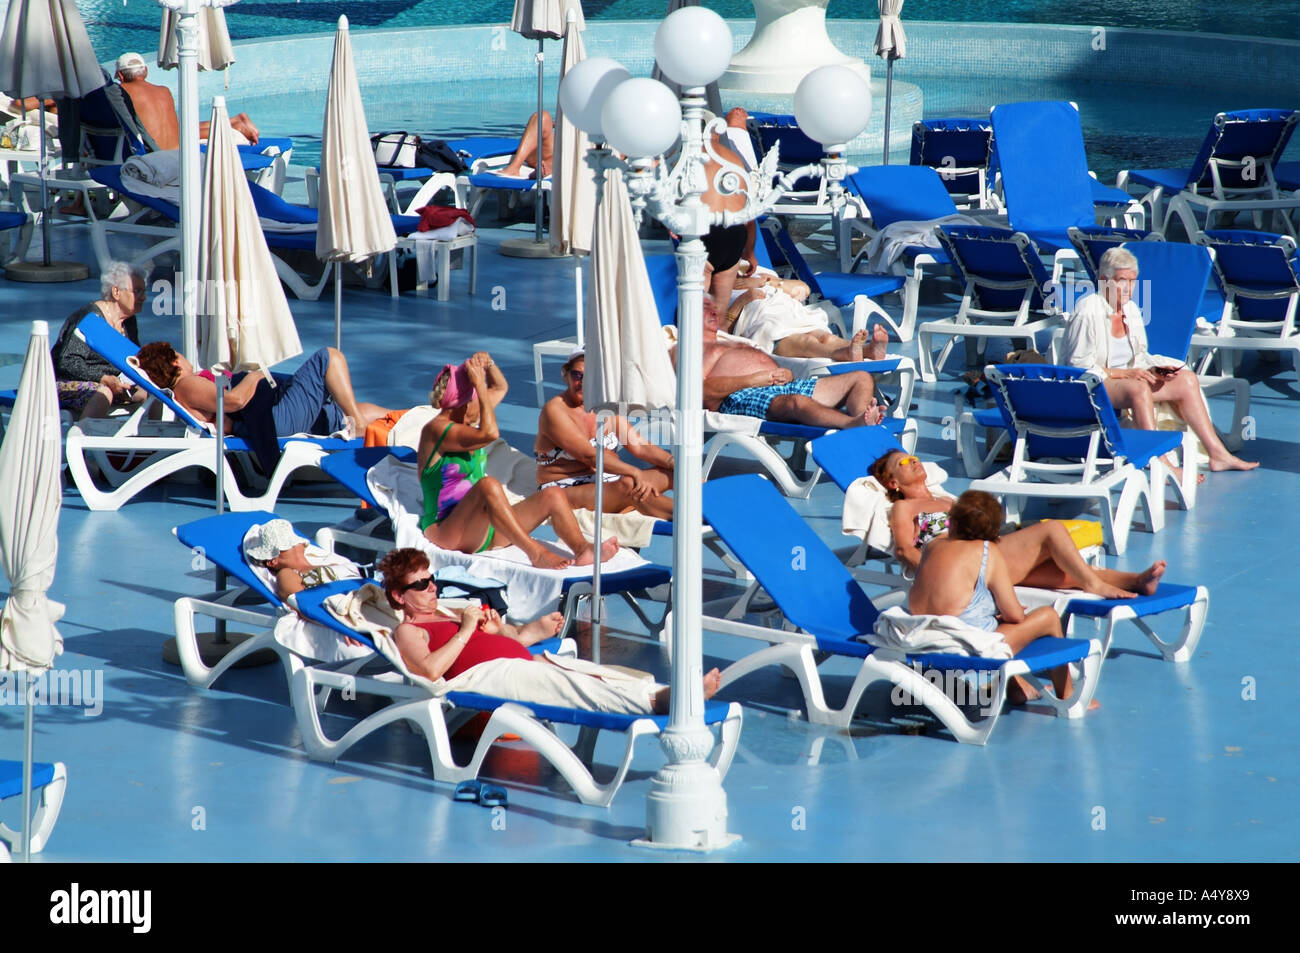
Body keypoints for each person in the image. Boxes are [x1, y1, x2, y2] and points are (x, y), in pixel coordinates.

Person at [379, 548, 719, 715]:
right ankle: (661, 703)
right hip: (493, 675)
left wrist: (506, 632)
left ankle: (663, 692)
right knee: (574, 688)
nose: (432, 588)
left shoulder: (446, 613)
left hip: (524, 658)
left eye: (431, 579)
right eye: (421, 584)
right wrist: (466, 630)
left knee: (598, 674)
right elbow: (429, 670)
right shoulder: (409, 630)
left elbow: (491, 640)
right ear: (398, 595)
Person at [870, 447, 1166, 599]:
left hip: (986, 555)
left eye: (913, 457)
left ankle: (1136, 582)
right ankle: (1093, 585)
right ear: (893, 482)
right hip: (965, 568)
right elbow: (903, 551)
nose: (913, 461)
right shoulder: (904, 508)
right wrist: (941, 572)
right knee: (1052, 530)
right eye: (904, 463)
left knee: (1062, 571)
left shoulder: (947, 500)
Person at [417, 352, 620, 570]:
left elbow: (501, 388)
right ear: (464, 403)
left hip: (483, 529)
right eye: (476, 397)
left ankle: (582, 549)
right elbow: (490, 433)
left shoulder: (465, 417)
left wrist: (489, 363)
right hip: (447, 531)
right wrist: (480, 387)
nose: (481, 403)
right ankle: (536, 553)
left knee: (552, 494)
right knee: (488, 484)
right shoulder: (436, 430)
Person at [1062, 246, 1256, 474]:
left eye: (1132, 281)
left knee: (1187, 380)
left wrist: (1156, 369)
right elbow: (1078, 368)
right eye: (1121, 281)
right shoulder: (1088, 311)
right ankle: (1159, 461)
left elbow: (1139, 356)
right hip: (1094, 385)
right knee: (1138, 390)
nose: (1128, 288)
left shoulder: (1131, 310)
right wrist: (1124, 374)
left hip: (1127, 379)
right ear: (1105, 280)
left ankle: (1218, 453)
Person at [907, 490, 1099, 707]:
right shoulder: (987, 553)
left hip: (922, 639)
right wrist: (1008, 611)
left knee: (992, 622)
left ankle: (1016, 690)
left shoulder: (932, 545)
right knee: (1048, 616)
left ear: (953, 522)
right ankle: (1067, 696)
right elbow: (1015, 615)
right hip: (962, 649)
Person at [134, 342, 390, 470]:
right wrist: (255, 375)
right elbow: (233, 401)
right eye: (179, 354)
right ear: (175, 363)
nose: (185, 357)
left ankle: (410, 421)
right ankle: (356, 425)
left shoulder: (185, 386)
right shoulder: (187, 384)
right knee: (328, 357)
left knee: (349, 412)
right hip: (277, 419)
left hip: (278, 417)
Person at [683, 295, 885, 428]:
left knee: (861, 378)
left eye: (712, 307)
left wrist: (786, 373)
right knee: (796, 402)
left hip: (783, 384)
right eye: (704, 308)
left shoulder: (730, 340)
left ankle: (864, 420)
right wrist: (756, 379)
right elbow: (700, 391)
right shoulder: (691, 348)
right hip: (739, 396)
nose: (713, 311)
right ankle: (851, 424)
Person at [535, 348, 675, 521]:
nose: (583, 382)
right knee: (630, 485)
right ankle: (693, 517)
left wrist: (673, 462)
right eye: (577, 375)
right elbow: (590, 456)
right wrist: (635, 473)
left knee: (679, 474)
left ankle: (711, 508)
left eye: (591, 376)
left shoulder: (606, 406)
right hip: (565, 487)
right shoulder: (555, 411)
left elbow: (638, 445)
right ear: (566, 374)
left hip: (610, 480)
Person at [50, 262, 148, 419]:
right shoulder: (90, 319)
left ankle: (154, 438)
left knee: (153, 392)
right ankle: (84, 438)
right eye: (137, 291)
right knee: (103, 393)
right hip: (67, 383)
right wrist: (103, 379)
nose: (144, 297)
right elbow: (67, 361)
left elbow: (133, 360)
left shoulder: (128, 322)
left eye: (143, 291)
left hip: (115, 384)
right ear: (116, 292)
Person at [114, 52, 259, 151]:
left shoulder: (120, 93)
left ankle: (235, 125)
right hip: (176, 147)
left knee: (179, 131)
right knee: (181, 129)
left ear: (120, 75)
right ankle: (233, 123)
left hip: (158, 153)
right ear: (146, 71)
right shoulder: (164, 90)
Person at [498, 110, 553, 178]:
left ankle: (549, 167)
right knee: (541, 117)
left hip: (557, 157)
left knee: (544, 116)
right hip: (548, 155)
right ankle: (546, 168)